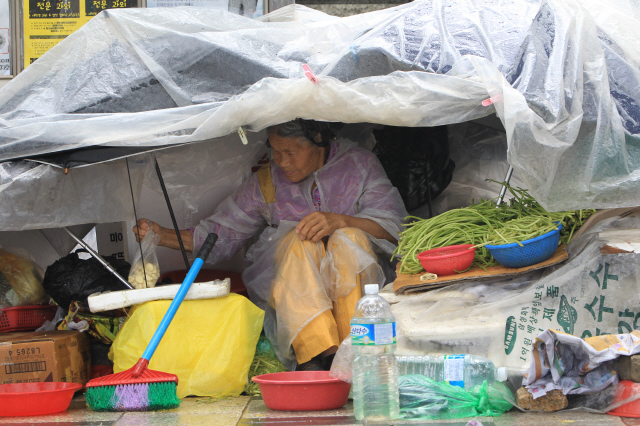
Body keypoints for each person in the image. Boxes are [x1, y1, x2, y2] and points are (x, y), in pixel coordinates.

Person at [134, 119, 407, 371]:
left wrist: (340, 221)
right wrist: (162, 235)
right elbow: (221, 232)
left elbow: (394, 229)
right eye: (276, 151)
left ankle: (358, 352)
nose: (281, 161)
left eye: (290, 152)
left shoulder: (359, 165)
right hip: (299, 290)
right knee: (299, 242)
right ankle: (317, 356)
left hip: (366, 288)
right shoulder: (269, 181)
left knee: (349, 239)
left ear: (320, 140)